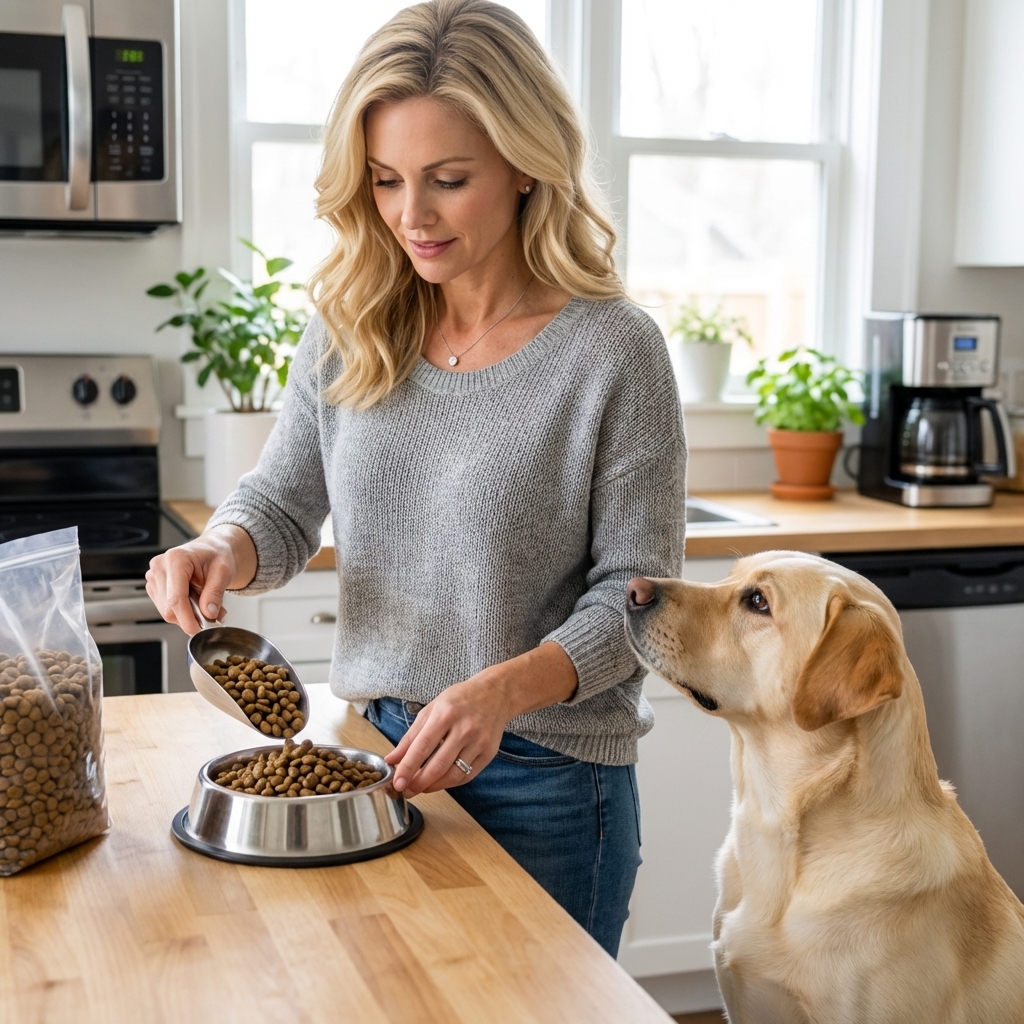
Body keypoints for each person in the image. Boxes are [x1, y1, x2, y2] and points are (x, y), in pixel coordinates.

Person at [146, 0, 685, 957]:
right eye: (386, 180)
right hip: (364, 755)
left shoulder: (613, 350)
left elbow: (636, 600)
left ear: (526, 164)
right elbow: (280, 502)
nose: (410, 216)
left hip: (546, 780)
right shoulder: (354, 319)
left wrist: (504, 691)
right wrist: (219, 544)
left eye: (447, 180)